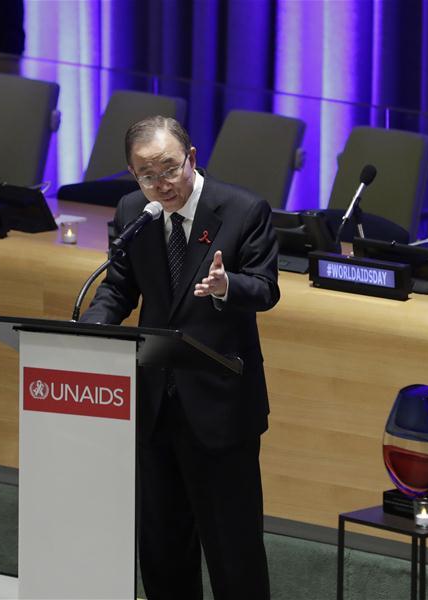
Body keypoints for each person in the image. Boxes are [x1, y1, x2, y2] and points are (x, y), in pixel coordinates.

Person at [80, 116, 279, 599]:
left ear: (191, 158)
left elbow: (266, 288)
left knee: (233, 553)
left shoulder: (241, 210)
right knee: (163, 550)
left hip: (220, 407)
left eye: (169, 169)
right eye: (146, 175)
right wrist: (90, 330)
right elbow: (120, 286)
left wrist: (228, 285)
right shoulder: (134, 211)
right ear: (132, 175)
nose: (160, 184)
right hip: (154, 408)